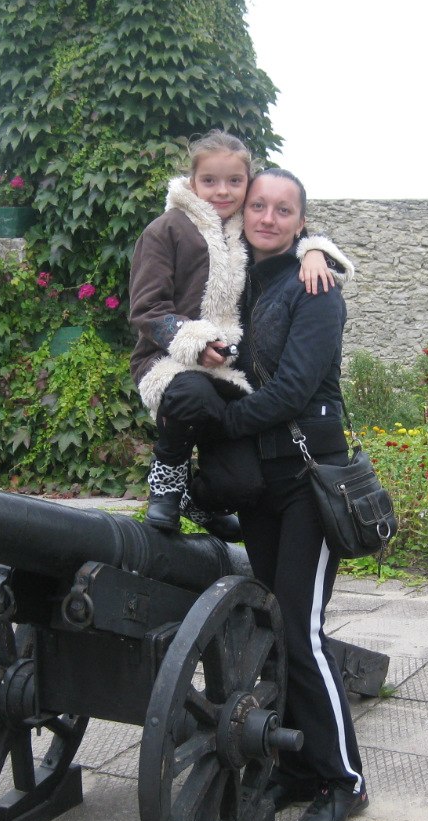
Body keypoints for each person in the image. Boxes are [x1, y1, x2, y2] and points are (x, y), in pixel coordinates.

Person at [220, 167, 367, 821]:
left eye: (284, 210)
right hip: (262, 482)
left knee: (303, 634)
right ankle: (300, 767)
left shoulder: (317, 287)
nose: (268, 218)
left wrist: (223, 423)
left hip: (310, 477)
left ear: (302, 221)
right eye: (259, 206)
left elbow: (295, 388)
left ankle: (344, 780)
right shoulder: (235, 283)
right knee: (275, 627)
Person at [128, 131, 352, 538]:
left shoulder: (238, 231)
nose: (222, 191)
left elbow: (286, 229)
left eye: (234, 181)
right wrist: (195, 342)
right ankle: (167, 480)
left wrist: (314, 251)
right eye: (209, 180)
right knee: (192, 393)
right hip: (172, 362)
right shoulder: (167, 230)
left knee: (243, 485)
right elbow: (146, 309)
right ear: (192, 181)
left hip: (226, 376)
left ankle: (196, 500)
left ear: (247, 185)